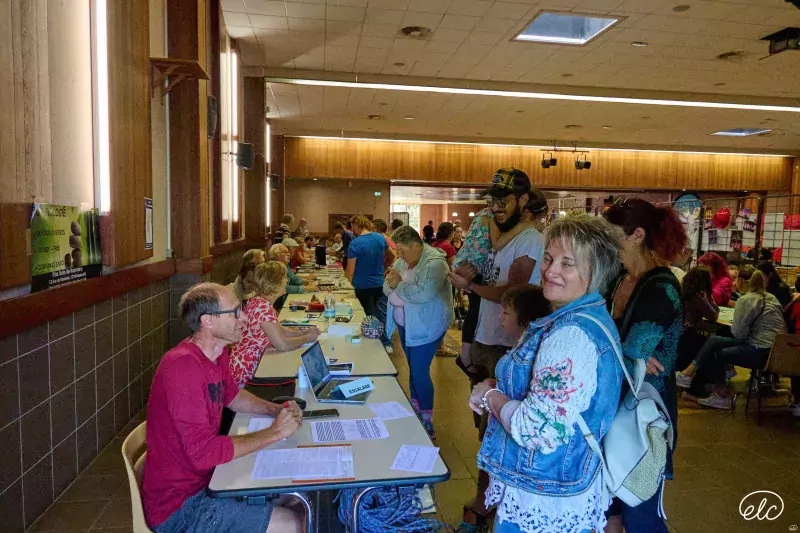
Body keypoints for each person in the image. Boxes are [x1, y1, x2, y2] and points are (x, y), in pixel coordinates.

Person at [470, 215, 623, 533]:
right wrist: (497, 385)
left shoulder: (570, 336)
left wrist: (489, 395)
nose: (550, 271)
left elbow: (536, 430)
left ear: (595, 271)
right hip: (559, 480)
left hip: (545, 489)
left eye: (568, 263)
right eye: (550, 259)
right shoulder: (587, 317)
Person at [142, 283, 304, 533]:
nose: (245, 317)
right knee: (296, 523)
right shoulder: (182, 369)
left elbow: (232, 396)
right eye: (236, 312)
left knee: (296, 495)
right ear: (208, 321)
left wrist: (276, 411)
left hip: (209, 480)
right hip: (181, 507)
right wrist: (274, 433)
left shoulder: (218, 353)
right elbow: (203, 453)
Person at [448, 168, 544, 527]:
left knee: (499, 431)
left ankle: (488, 501)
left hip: (510, 347)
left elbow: (508, 292)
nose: (495, 206)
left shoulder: (530, 240)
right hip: (488, 339)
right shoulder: (495, 236)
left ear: (522, 200)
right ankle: (490, 496)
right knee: (483, 428)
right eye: (491, 199)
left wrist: (469, 287)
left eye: (502, 199)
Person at [603, 198, 686, 533]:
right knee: (610, 508)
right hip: (613, 404)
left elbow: (634, 352)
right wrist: (624, 351)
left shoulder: (662, 287)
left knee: (640, 512)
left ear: (637, 235)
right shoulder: (618, 278)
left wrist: (620, 350)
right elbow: (627, 352)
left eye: (611, 235)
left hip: (646, 414)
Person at [677, 270, 787, 409]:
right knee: (714, 341)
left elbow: (738, 334)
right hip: (779, 351)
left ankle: (720, 396)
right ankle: (688, 374)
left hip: (760, 351)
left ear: (741, 282)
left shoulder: (745, 300)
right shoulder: (772, 298)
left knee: (717, 354)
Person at [384, 226, 453, 437]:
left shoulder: (436, 264)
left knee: (419, 372)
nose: (399, 255)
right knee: (414, 370)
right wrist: (399, 287)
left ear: (416, 245)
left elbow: (423, 294)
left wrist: (400, 285)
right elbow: (386, 286)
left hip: (426, 325)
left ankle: (427, 418)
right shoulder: (405, 258)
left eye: (402, 250)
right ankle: (416, 408)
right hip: (407, 323)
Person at [229, 262, 320, 387]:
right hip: (249, 374)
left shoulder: (257, 301)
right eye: (284, 278)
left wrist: (300, 333)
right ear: (274, 283)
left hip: (246, 365)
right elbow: (282, 344)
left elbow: (277, 328)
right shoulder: (263, 306)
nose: (286, 281)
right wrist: (307, 338)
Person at [346, 215, 392, 352]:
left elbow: (350, 271)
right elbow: (391, 256)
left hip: (362, 285)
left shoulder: (355, 243)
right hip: (379, 283)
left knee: (366, 317)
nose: (352, 230)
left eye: (352, 227)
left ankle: (370, 348)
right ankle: (386, 343)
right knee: (380, 314)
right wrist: (383, 270)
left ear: (356, 225)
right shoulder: (380, 238)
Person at [675, 266, 719, 371]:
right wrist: (708, 299)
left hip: (677, 332)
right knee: (712, 346)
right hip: (686, 335)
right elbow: (714, 315)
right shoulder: (697, 297)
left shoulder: (682, 290)